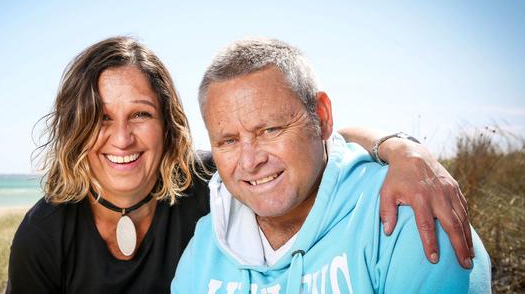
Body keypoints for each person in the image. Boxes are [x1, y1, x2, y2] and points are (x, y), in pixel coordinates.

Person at [7, 37, 475, 293]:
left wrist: (403, 150)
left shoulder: (212, 181)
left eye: (141, 115)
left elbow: (312, 136)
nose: (123, 138)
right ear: (76, 129)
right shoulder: (46, 233)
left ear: (169, 125)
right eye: (100, 119)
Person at [171, 38, 490, 293]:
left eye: (270, 130)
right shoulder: (204, 246)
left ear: (321, 117)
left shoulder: (408, 215)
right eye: (228, 141)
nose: (251, 161)